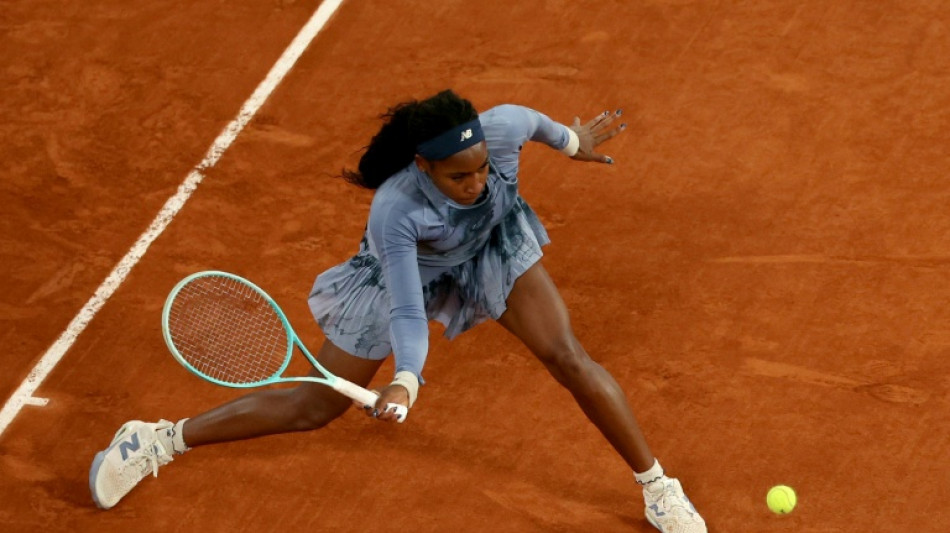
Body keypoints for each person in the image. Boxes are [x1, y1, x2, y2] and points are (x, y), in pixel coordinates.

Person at [89, 89, 707, 532]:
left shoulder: (503, 128)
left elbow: (540, 125)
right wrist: (407, 382)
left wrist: (574, 142)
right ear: (423, 167)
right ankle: (158, 441)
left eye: (481, 169)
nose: (476, 183)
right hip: (409, 271)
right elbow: (409, 309)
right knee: (315, 407)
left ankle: (658, 489)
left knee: (567, 356)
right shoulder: (396, 211)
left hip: (491, 247)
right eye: (458, 177)